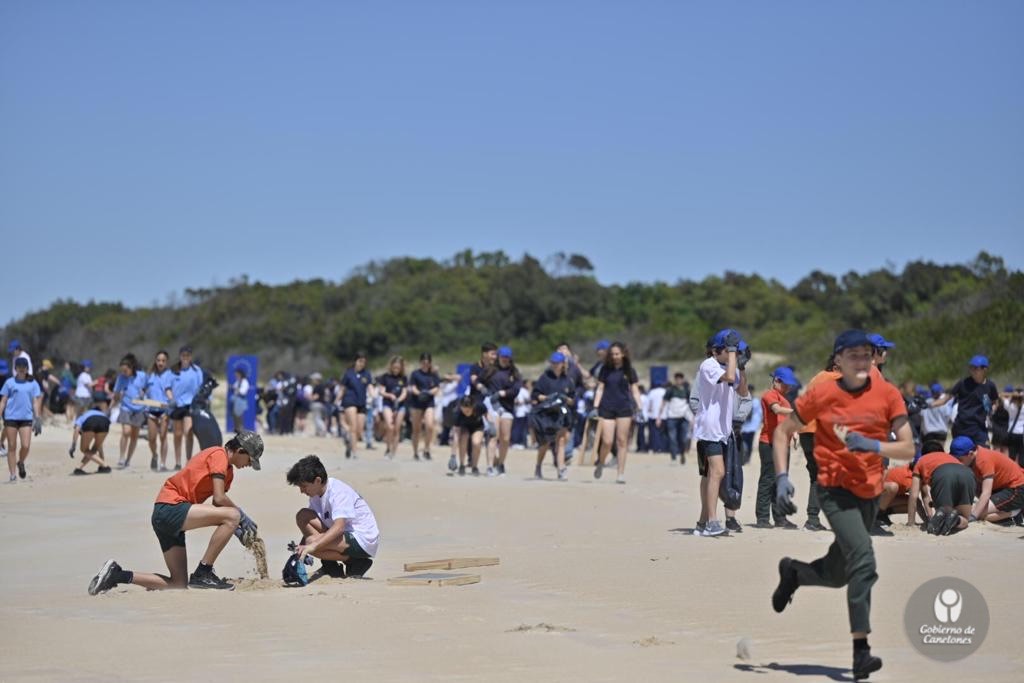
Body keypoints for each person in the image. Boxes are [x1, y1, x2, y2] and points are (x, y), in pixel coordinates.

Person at [771, 329, 914, 681]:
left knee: (838, 575)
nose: (862, 361)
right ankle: (861, 653)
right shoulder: (822, 392)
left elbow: (908, 448)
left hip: (869, 494)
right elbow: (782, 430)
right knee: (864, 559)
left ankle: (795, 573)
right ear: (838, 359)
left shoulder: (887, 393)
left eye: (867, 355)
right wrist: (781, 478)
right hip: (834, 491)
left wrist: (875, 446)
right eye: (854, 355)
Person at [87, 431, 264, 594]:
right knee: (233, 515)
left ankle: (117, 575)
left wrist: (235, 529)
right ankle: (204, 572)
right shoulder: (219, 455)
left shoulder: (228, 472)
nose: (249, 465)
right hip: (171, 507)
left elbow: (218, 508)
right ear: (240, 450)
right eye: (250, 460)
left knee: (178, 583)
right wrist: (240, 516)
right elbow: (219, 499)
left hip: (166, 517)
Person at [692, 329, 748, 536]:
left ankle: (702, 522)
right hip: (709, 430)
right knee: (718, 472)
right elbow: (730, 376)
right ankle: (712, 522)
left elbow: (742, 391)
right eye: (730, 349)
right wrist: (734, 355)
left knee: (710, 476)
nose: (734, 354)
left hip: (722, 432)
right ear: (717, 351)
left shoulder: (728, 366)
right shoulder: (709, 365)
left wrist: (742, 366)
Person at [287, 454, 379, 578]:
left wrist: (311, 546)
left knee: (312, 542)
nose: (301, 491)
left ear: (318, 481)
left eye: (304, 486)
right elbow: (311, 529)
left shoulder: (337, 492)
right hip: (343, 536)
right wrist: (301, 549)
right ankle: (331, 567)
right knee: (303, 516)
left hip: (363, 539)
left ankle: (356, 561)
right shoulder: (315, 495)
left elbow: (339, 527)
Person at [794, 354, 840, 532]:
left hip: (806, 431)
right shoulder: (835, 378)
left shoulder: (817, 377)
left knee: (817, 476)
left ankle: (813, 519)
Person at [755, 368, 800, 530]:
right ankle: (762, 518)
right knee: (767, 480)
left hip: (783, 444)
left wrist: (794, 433)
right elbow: (776, 409)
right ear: (777, 381)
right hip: (768, 443)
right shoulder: (770, 395)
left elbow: (787, 419)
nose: (789, 388)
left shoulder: (786, 400)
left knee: (781, 481)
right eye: (786, 384)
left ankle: (780, 518)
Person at [593, 342, 643, 485]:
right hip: (606, 408)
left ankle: (620, 473)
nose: (615, 356)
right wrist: (595, 406)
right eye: (612, 354)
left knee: (622, 442)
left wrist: (640, 407)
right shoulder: (605, 370)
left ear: (623, 354)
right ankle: (601, 462)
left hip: (624, 409)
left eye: (617, 354)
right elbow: (600, 389)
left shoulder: (629, 370)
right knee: (607, 441)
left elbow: (635, 390)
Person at [950, 436, 1024, 524]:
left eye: (960, 459)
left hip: (1017, 489)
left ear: (971, 454)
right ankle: (1008, 510)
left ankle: (1016, 511)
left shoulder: (983, 460)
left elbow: (986, 493)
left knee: (980, 514)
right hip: (1001, 487)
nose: (957, 462)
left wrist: (973, 516)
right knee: (976, 507)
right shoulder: (972, 458)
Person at [930, 355, 1000, 446]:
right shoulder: (963, 383)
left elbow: (995, 402)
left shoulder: (990, 386)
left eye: (975, 368)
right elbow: (946, 398)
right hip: (962, 427)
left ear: (984, 369)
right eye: (971, 367)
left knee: (984, 454)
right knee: (960, 455)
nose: (972, 370)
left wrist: (991, 409)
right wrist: (929, 405)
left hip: (979, 427)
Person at [905, 450, 976, 535]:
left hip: (942, 474)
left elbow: (914, 495)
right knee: (964, 518)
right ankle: (957, 520)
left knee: (944, 515)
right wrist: (930, 517)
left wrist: (911, 522)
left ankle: (947, 515)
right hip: (966, 473)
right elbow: (925, 496)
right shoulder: (947, 456)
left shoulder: (919, 462)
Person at [531, 352, 576, 481]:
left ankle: (561, 469)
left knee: (561, 441)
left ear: (563, 364)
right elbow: (535, 395)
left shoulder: (568, 380)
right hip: (546, 414)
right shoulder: (544, 378)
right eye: (553, 363)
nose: (555, 365)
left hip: (562, 414)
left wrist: (565, 399)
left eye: (558, 363)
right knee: (544, 444)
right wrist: (547, 398)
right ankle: (538, 466)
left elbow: (573, 399)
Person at [0, 357, 43, 482]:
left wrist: (38, 417)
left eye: (23, 367)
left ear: (26, 368)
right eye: (19, 367)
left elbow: (35, 401)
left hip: (26, 418)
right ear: (16, 368)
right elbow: (3, 401)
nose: (21, 369)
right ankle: (13, 475)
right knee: (11, 446)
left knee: (26, 446)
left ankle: (21, 462)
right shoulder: (9, 382)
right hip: (11, 417)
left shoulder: (33, 383)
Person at [483, 347, 522, 476]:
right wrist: (482, 389)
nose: (504, 359)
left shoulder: (514, 373)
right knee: (494, 435)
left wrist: (503, 393)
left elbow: (516, 390)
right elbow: (479, 381)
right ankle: (489, 466)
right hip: (492, 407)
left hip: (507, 407)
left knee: (505, 438)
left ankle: (501, 464)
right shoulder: (490, 370)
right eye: (502, 357)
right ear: (498, 357)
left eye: (507, 357)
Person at [166, 346, 203, 468]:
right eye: (183, 355)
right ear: (180, 356)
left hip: (190, 405)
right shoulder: (173, 370)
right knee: (177, 434)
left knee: (188, 432)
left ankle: (188, 460)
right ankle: (177, 462)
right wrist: (171, 398)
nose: (185, 358)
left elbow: (201, 388)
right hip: (177, 405)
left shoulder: (197, 371)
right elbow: (167, 387)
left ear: (190, 357)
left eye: (188, 355)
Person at [112, 354, 147, 469]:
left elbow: (148, 387)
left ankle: (128, 459)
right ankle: (121, 458)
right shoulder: (121, 378)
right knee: (126, 432)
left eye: (125, 370)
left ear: (132, 367)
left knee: (134, 435)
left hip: (139, 408)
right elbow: (116, 394)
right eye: (122, 370)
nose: (124, 373)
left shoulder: (142, 376)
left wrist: (144, 393)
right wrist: (112, 404)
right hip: (125, 407)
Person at [408, 353, 442, 461]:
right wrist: (419, 393)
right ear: (420, 362)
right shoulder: (415, 374)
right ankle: (415, 452)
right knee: (416, 429)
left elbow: (437, 388)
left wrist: (427, 393)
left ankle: (427, 449)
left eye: (427, 363)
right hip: (416, 402)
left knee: (430, 425)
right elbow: (412, 387)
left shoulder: (434, 374)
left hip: (429, 402)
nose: (425, 365)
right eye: (423, 363)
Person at [70, 392, 113, 475]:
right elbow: (99, 446)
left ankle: (105, 465)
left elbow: (77, 429)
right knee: (94, 448)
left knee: (84, 449)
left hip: (91, 422)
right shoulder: (101, 413)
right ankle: (79, 468)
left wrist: (73, 445)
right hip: (105, 421)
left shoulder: (83, 415)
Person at [339, 352, 373, 458]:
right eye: (360, 361)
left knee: (359, 430)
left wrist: (374, 396)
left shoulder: (367, 374)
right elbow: (342, 389)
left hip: (362, 403)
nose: (362, 364)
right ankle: (355, 452)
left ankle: (349, 443)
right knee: (353, 427)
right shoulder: (348, 373)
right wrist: (337, 400)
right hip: (350, 401)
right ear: (355, 361)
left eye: (364, 362)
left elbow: (370, 386)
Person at [143, 350, 172, 471]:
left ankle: (163, 464)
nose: (161, 363)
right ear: (155, 361)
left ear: (166, 362)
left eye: (163, 361)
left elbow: (170, 392)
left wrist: (170, 404)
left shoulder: (170, 375)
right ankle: (154, 455)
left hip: (164, 410)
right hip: (151, 410)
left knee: (163, 436)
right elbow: (143, 391)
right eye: (159, 360)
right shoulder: (149, 375)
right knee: (152, 438)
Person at [377, 356, 409, 459]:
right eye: (394, 367)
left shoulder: (403, 378)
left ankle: (393, 452)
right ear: (391, 366)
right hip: (387, 403)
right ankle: (388, 448)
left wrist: (399, 400)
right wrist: (390, 395)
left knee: (397, 428)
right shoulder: (385, 377)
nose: (396, 369)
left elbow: (405, 392)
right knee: (390, 426)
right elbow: (381, 391)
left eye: (398, 368)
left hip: (400, 405)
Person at [657, 372, 693, 465]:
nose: (678, 380)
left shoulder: (687, 390)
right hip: (672, 417)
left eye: (680, 378)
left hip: (684, 418)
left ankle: (682, 454)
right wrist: (659, 417)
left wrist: (693, 418)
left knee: (683, 438)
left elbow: (691, 404)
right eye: (677, 378)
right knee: (672, 438)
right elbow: (663, 403)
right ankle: (673, 458)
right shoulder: (670, 390)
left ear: (682, 379)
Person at [454, 396, 487, 476]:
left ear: (473, 407)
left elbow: (486, 413)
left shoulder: (480, 406)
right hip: (464, 427)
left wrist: (491, 424)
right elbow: (456, 435)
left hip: (477, 426)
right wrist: (452, 456)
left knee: (476, 443)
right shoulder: (457, 413)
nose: (465, 413)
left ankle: (474, 466)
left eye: (468, 411)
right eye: (463, 411)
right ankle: (462, 465)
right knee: (463, 438)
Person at [920, 383, 954, 455]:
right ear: (940, 392)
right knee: (940, 453)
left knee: (928, 454)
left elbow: (921, 415)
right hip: (941, 432)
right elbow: (949, 416)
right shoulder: (944, 404)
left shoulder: (926, 403)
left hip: (929, 433)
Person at [740, 384, 762, 465]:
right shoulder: (755, 401)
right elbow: (759, 414)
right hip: (749, 426)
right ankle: (746, 458)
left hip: (748, 426)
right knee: (747, 443)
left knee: (746, 443)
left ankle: (746, 458)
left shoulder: (744, 400)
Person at [1003, 385, 1024, 466]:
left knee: (1012, 455)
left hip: (1012, 433)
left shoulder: (1009, 405)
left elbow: (1002, 396)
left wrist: (1013, 395)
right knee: (1022, 455)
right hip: (1022, 433)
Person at [231, 367, 250, 432]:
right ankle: (236, 428)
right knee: (235, 414)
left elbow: (243, 391)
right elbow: (234, 388)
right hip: (236, 400)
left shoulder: (245, 381)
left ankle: (241, 428)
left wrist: (237, 390)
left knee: (240, 415)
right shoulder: (237, 381)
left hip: (241, 400)